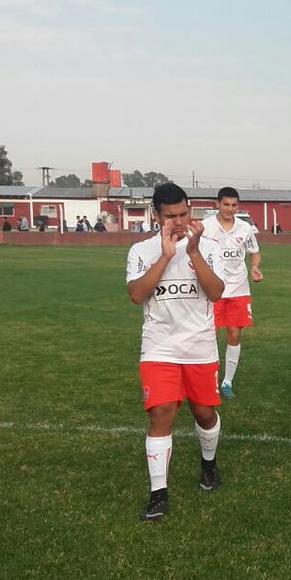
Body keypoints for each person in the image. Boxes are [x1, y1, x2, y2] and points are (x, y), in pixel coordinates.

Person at [125, 183, 225, 522]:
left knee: (204, 415)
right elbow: (137, 295)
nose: (179, 221)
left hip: (199, 347)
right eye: (171, 216)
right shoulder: (141, 250)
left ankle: (209, 465)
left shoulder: (207, 246)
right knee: (161, 414)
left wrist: (193, 252)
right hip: (159, 346)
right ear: (157, 216)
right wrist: (166, 255)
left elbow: (215, 293)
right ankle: (158, 495)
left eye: (184, 214)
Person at [202, 187, 262, 401]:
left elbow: (254, 252)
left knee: (234, 334)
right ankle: (209, 378)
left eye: (233, 205)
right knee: (209, 336)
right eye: (225, 204)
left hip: (238, 289)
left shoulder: (245, 228)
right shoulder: (205, 227)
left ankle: (227, 381)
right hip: (212, 290)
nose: (229, 208)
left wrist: (255, 267)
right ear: (217, 204)